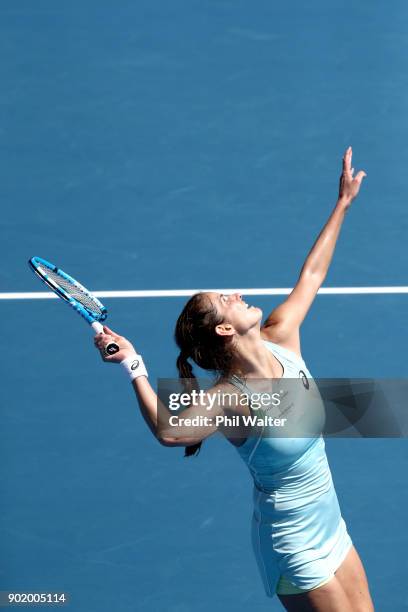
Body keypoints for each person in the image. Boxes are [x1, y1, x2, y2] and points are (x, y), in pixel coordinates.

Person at [94, 147, 374, 611]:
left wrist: (342, 203)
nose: (238, 293)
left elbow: (313, 274)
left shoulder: (283, 335)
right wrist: (133, 365)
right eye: (227, 298)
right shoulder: (230, 398)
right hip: (294, 542)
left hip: (332, 522)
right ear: (225, 329)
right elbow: (169, 430)